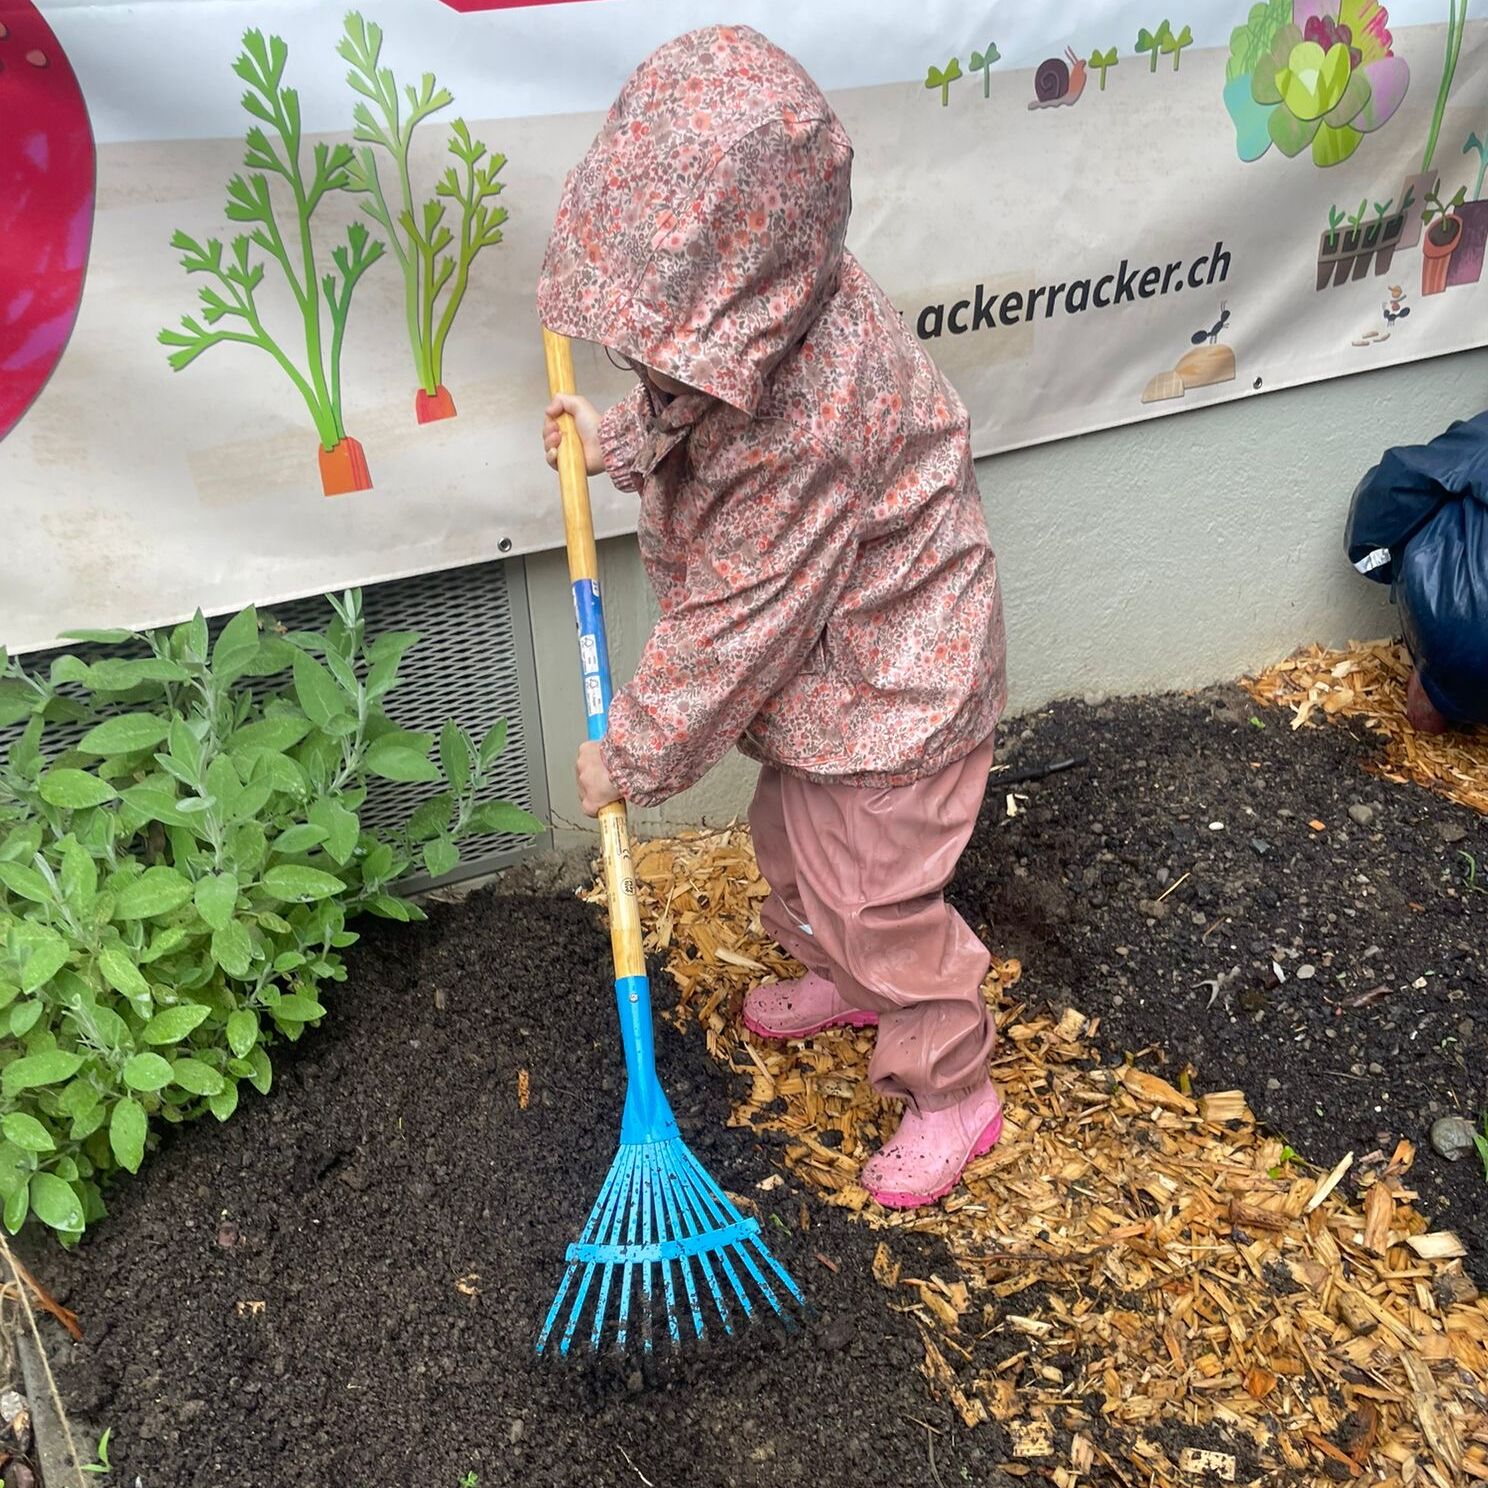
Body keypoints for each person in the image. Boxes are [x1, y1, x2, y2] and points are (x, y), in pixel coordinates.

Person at [536, 25, 1008, 1209]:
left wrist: (634, 754)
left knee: (874, 897)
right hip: (835, 674)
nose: (647, 353)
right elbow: (691, 391)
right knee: (794, 840)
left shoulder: (804, 420)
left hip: (899, 684)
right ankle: (843, 974)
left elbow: (738, 623)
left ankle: (954, 1087)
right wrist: (622, 438)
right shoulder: (776, 300)